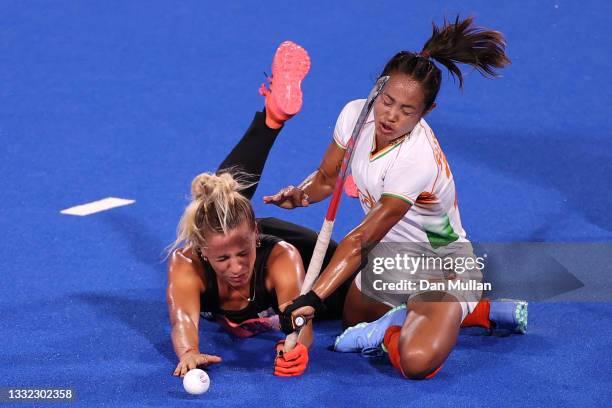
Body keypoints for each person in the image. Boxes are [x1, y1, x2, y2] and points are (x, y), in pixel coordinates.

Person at [266, 17, 524, 379]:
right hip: (391, 264)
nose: (391, 116)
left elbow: (360, 240)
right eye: (387, 101)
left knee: (416, 362)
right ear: (378, 87)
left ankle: (418, 323)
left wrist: (312, 299)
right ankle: (473, 315)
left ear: (426, 113)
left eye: (408, 111)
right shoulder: (355, 115)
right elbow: (327, 178)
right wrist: (301, 195)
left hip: (443, 270)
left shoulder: (415, 158)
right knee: (351, 319)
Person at [166, 41, 344, 378]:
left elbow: (300, 319)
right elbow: (182, 319)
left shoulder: (282, 257)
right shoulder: (187, 263)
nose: (235, 268)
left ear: (256, 239)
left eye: (241, 255)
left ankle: (273, 119)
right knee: (221, 206)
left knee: (374, 292)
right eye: (222, 259)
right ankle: (273, 117)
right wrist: (189, 352)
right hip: (237, 232)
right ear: (203, 252)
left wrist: (299, 346)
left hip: (317, 266)